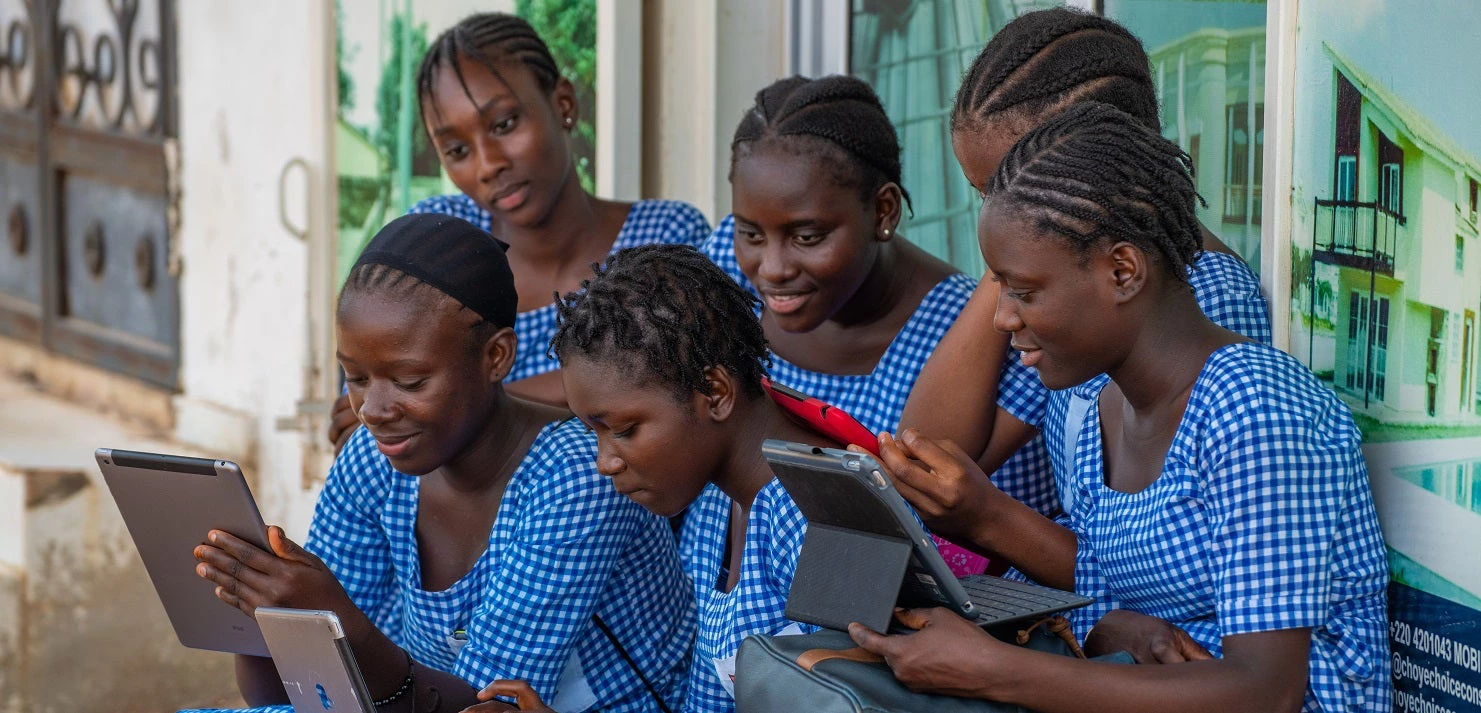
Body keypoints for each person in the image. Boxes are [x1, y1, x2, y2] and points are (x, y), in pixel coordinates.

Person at [852, 103, 1391, 713]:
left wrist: (995, 670)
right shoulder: (1101, 402)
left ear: (1123, 270)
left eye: (1024, 291)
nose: (1002, 318)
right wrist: (1092, 617)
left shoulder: (1255, 410)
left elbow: (1264, 691)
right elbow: (1122, 582)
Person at [189, 215, 693, 713]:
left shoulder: (577, 476)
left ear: (496, 357)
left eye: (410, 382)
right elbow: (295, 695)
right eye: (356, 378)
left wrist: (341, 623)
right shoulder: (375, 460)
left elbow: (488, 706)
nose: (374, 410)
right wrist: (257, 610)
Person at [898, 7, 1273, 529]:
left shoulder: (1200, 300)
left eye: (1010, 185)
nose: (996, 210)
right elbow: (928, 458)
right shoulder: (1059, 295)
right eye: (985, 193)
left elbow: (1176, 552)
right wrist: (1013, 262)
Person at [326, 14, 711, 449]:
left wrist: (464, 403)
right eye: (456, 150)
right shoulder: (440, 239)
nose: (489, 163)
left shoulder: (663, 238)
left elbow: (668, 378)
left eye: (504, 124)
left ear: (563, 104)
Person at [701, 76, 989, 574]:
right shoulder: (723, 276)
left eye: (807, 236)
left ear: (883, 211)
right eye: (751, 232)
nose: (772, 267)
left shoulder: (966, 335)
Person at [553, 245, 851, 713]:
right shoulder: (723, 500)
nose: (605, 461)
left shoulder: (818, 516)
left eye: (625, 430)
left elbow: (863, 698)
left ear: (714, 392)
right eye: (595, 434)